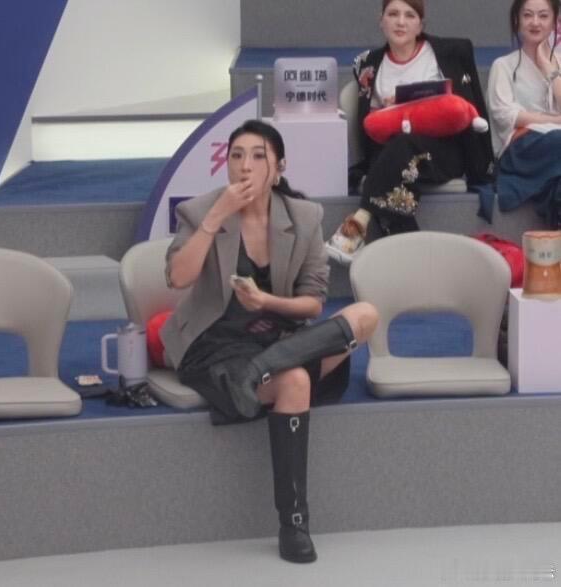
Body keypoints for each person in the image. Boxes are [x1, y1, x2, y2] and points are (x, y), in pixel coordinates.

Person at [160, 120, 378, 563]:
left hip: (279, 338)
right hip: (216, 345)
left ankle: (263, 369)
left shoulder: (304, 216)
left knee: (366, 315)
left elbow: (313, 302)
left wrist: (267, 301)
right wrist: (216, 217)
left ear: (278, 168)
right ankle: (294, 524)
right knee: (295, 380)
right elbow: (177, 278)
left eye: (258, 156)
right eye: (236, 155)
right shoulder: (200, 211)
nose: (245, 166)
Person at [326, 0, 494, 265]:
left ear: (420, 25)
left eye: (410, 15)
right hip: (392, 150)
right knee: (398, 151)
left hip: (444, 151)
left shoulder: (449, 53)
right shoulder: (369, 64)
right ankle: (419, 263)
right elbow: (370, 123)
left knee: (401, 148)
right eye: (393, 14)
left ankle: (360, 220)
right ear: (381, 21)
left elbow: (464, 106)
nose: (401, 22)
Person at [487, 0, 561, 227]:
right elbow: (506, 115)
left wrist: (550, 71)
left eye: (543, 16)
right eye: (528, 15)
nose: (535, 22)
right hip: (522, 149)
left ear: (554, 22)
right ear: (517, 19)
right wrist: (555, 120)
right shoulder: (503, 65)